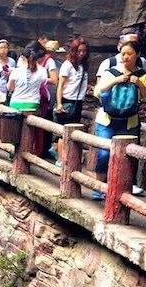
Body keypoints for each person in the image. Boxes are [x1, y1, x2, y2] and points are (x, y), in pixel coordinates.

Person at [91, 39, 146, 199]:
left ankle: (122, 189)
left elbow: (145, 97)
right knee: (104, 154)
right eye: (123, 54)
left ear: (138, 55)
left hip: (129, 122)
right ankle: (99, 188)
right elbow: (97, 92)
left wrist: (139, 84)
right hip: (106, 120)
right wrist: (116, 81)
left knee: (127, 157)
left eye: (130, 54)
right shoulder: (111, 72)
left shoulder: (142, 75)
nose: (125, 57)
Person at [7, 43, 49, 158]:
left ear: (23, 57)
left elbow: (10, 88)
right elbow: (42, 84)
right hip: (32, 104)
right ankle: (25, 154)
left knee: (15, 130)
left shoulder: (16, 71)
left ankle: (13, 153)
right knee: (28, 132)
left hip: (16, 103)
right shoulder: (42, 71)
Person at [54, 37, 90, 164]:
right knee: (63, 132)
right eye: (79, 51)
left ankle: (66, 158)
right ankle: (60, 159)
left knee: (74, 131)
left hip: (78, 101)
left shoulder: (82, 66)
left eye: (84, 51)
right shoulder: (67, 65)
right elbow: (61, 86)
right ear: (74, 51)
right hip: (67, 100)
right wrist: (59, 103)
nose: (82, 53)